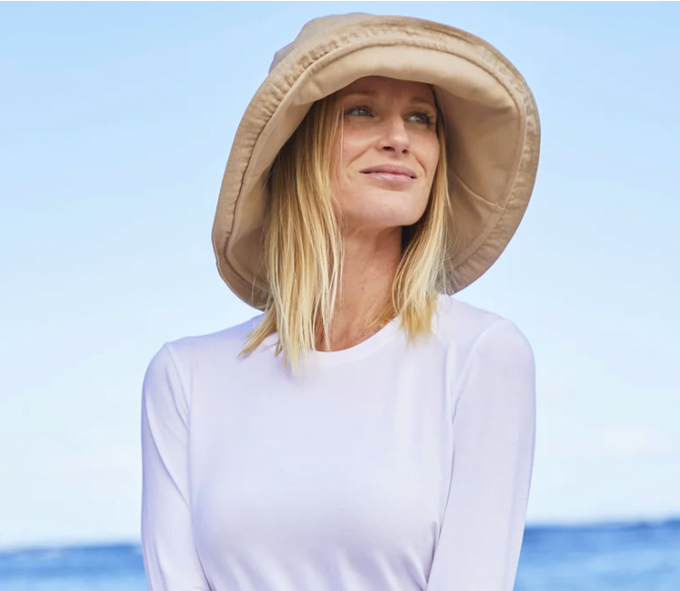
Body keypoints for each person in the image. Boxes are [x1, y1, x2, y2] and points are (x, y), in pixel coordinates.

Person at [140, 12, 540, 591]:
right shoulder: (184, 376)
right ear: (298, 147)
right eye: (362, 110)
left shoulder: (482, 355)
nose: (400, 137)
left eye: (421, 118)